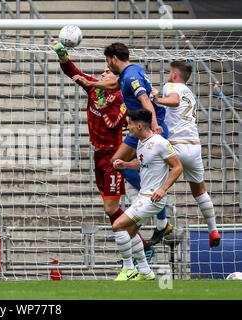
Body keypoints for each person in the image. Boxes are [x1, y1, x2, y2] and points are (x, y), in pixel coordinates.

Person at [52, 42, 155, 262]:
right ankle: (139, 251)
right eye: (102, 71)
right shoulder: (95, 87)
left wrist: (98, 95)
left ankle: (138, 249)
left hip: (114, 156)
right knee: (110, 211)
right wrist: (63, 56)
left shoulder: (121, 100)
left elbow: (111, 122)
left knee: (111, 208)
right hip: (98, 154)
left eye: (107, 70)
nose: (103, 72)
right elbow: (73, 72)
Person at [73, 42, 172, 246]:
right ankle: (145, 207)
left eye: (108, 62)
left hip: (146, 128)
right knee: (118, 162)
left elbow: (144, 100)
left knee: (120, 162)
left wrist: (153, 125)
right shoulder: (130, 72)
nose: (107, 66)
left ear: (114, 59)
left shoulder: (132, 76)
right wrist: (91, 84)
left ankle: (151, 207)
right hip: (138, 128)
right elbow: (113, 85)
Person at [151, 60, 221, 247]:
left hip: (176, 145)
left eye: (169, 71)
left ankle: (159, 225)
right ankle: (213, 230)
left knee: (153, 180)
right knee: (200, 191)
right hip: (194, 145)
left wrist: (157, 99)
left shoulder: (170, 86)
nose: (168, 74)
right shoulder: (190, 93)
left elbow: (174, 101)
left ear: (174, 75)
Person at [112, 109, 183, 280]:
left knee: (118, 226)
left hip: (153, 198)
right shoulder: (141, 142)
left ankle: (128, 268)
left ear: (139, 125)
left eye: (129, 124)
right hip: (144, 196)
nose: (127, 127)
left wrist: (163, 189)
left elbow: (178, 167)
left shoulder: (160, 142)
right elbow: (144, 164)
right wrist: (125, 165)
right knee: (131, 229)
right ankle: (145, 271)